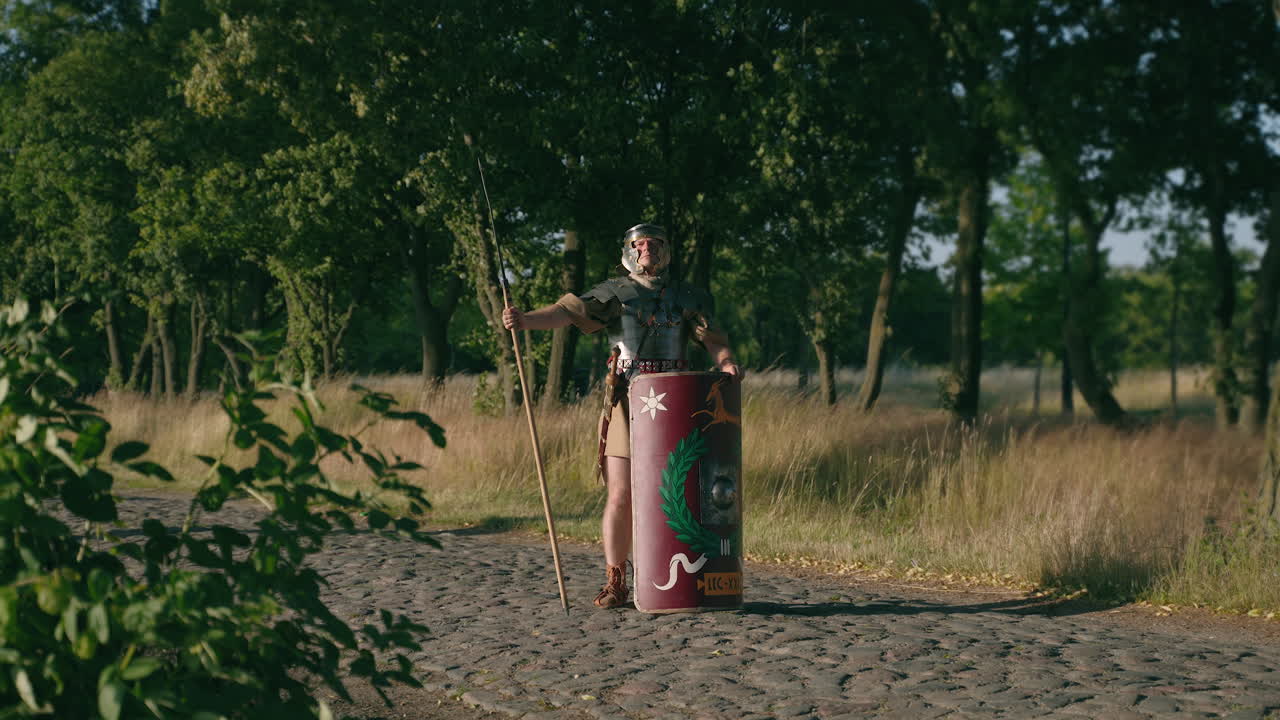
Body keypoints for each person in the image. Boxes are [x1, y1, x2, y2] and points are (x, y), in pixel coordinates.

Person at [502, 223, 740, 608]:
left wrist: (727, 365)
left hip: (679, 404)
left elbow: (715, 342)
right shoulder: (615, 293)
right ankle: (616, 579)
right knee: (621, 495)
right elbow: (566, 312)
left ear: (666, 250)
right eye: (639, 244)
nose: (647, 249)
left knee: (680, 491)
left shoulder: (689, 297)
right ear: (629, 251)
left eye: (654, 243)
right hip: (628, 400)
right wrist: (525, 320)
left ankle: (681, 575)